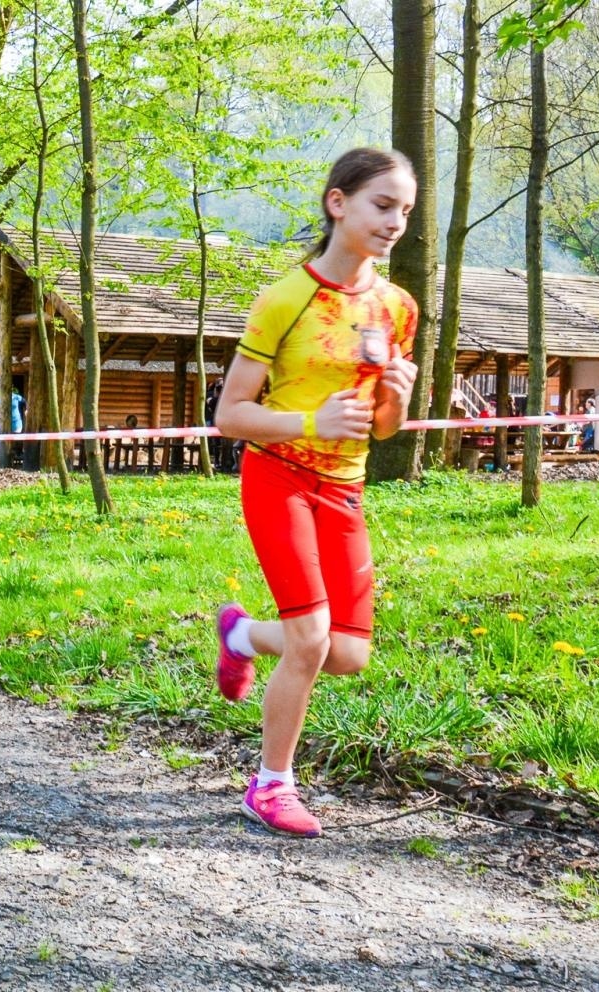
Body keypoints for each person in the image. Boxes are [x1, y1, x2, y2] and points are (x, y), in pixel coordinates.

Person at [211, 147, 420, 837]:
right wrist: (310, 422)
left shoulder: (397, 308)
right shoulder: (285, 298)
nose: (395, 222)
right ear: (338, 203)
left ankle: (241, 635)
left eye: (405, 210)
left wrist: (397, 399)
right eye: (382, 205)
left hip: (344, 487)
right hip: (278, 476)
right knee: (308, 640)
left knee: (348, 654)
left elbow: (383, 429)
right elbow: (230, 415)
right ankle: (270, 786)